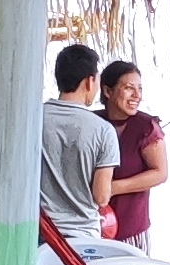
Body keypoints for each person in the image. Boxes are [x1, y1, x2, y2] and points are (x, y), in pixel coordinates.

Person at [39, 42, 120, 241]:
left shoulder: (33, 119)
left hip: (37, 234)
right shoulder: (103, 130)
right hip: (83, 239)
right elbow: (101, 197)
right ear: (90, 81)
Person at [98, 59, 167, 244]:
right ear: (107, 91)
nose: (137, 95)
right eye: (129, 88)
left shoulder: (146, 127)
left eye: (140, 89)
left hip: (131, 230)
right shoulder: (93, 122)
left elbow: (160, 173)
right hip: (92, 228)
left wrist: (113, 188)